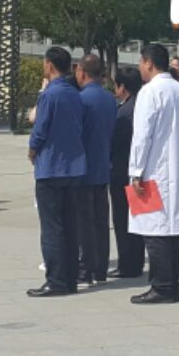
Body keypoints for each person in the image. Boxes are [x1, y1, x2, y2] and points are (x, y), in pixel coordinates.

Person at [128, 44, 179, 303]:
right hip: (177, 167)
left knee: (154, 229)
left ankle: (162, 285)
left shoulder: (150, 92)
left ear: (148, 63)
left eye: (141, 63)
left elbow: (142, 134)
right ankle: (170, 282)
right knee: (172, 228)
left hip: (153, 169)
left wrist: (136, 170)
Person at [27, 47, 87, 297]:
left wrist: (32, 151)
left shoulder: (49, 95)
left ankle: (55, 279)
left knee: (52, 227)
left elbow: (39, 130)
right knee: (70, 225)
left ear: (49, 65)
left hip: (51, 167)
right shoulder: (74, 94)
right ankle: (70, 277)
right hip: (73, 166)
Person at [75, 54, 117, 288]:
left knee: (83, 221)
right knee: (101, 220)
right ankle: (100, 267)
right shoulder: (109, 99)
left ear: (82, 72)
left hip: (83, 168)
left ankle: (85, 268)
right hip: (103, 165)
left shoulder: (81, 100)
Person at [109, 65, 146, 279]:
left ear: (122, 87)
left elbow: (114, 143)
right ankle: (136, 261)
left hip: (122, 171)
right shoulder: (141, 105)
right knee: (138, 220)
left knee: (123, 221)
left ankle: (127, 264)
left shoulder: (123, 112)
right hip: (138, 172)